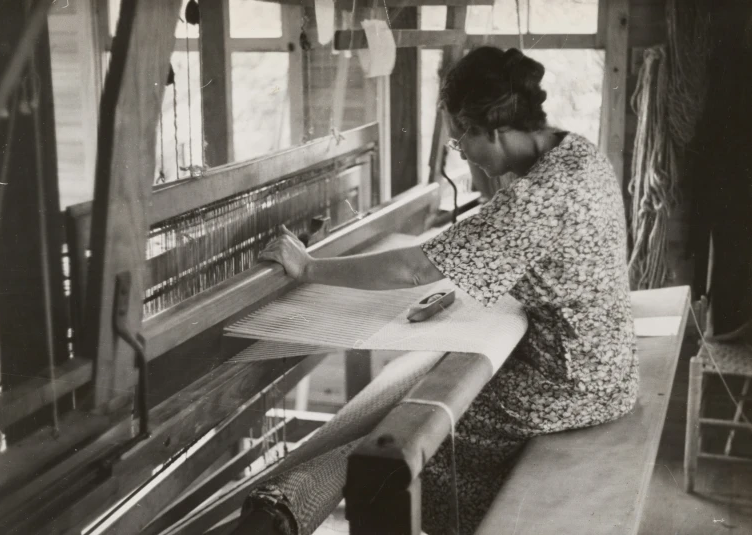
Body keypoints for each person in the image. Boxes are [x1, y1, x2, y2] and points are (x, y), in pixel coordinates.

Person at [260, 46, 637, 535]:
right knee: (415, 401)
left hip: (576, 384)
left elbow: (417, 271)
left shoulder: (533, 200)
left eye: (462, 143)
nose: (465, 155)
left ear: (492, 131)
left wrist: (309, 270)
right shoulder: (575, 150)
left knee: (422, 437)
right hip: (606, 362)